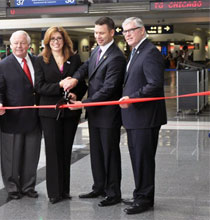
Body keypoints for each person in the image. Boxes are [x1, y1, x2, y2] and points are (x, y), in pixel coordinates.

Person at [63, 17, 126, 206]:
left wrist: (84, 103)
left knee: (110, 153)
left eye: (102, 33)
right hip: (95, 113)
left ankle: (113, 193)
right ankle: (99, 187)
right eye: (96, 33)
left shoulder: (116, 57)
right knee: (97, 152)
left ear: (112, 33)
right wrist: (74, 79)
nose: (98, 36)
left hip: (108, 113)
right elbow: (85, 67)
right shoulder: (97, 50)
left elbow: (109, 89)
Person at [119, 17, 167, 214]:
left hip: (145, 117)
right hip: (136, 118)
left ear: (142, 30)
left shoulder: (149, 52)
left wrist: (133, 97)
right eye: (124, 31)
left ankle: (144, 199)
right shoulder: (136, 51)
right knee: (138, 158)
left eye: (131, 30)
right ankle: (140, 194)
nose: (127, 34)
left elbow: (154, 84)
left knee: (143, 159)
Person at [34, 27, 87, 204]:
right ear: (47, 42)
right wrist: (59, 85)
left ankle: (64, 190)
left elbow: (81, 84)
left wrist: (76, 95)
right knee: (53, 152)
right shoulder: (40, 60)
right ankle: (54, 193)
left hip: (70, 112)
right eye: (52, 39)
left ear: (65, 40)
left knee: (65, 151)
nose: (56, 42)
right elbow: (39, 87)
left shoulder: (74, 58)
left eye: (59, 38)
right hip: (49, 113)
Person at [0, 30, 41, 200]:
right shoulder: (2, 65)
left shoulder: (38, 61)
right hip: (12, 118)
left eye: (22, 43)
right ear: (10, 45)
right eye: (15, 43)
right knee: (11, 156)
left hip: (34, 118)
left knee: (31, 155)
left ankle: (28, 186)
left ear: (28, 45)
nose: (19, 46)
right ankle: (12, 188)